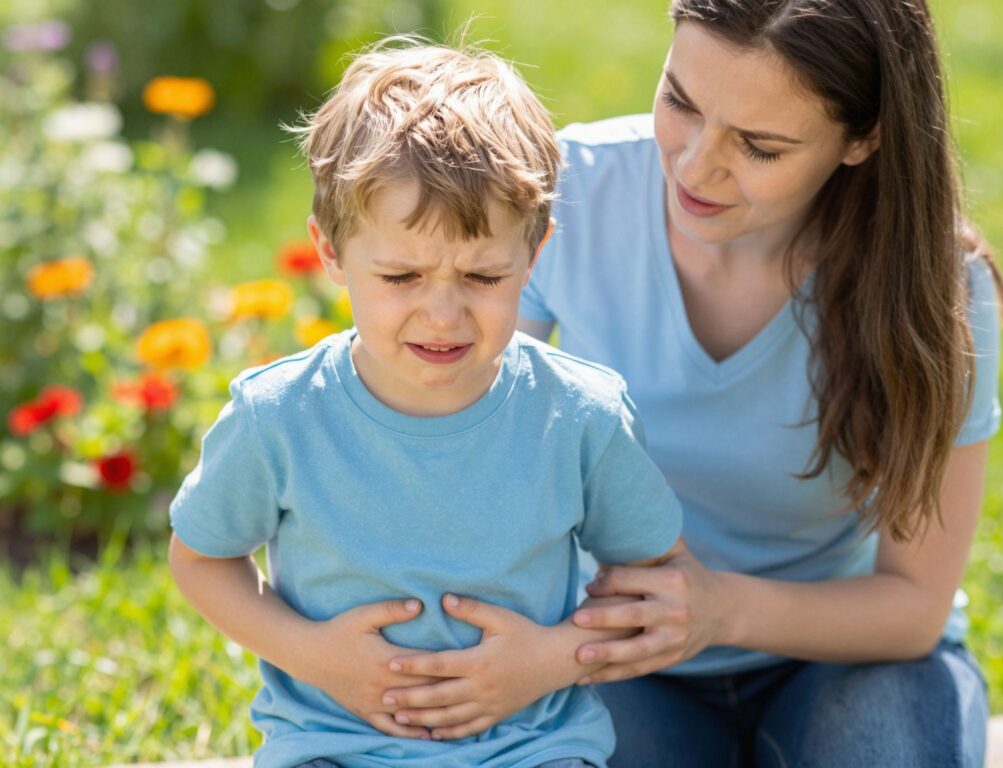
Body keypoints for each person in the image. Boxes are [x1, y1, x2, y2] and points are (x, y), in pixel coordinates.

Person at [378, 2, 1003, 767]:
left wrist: (719, 611)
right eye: (680, 101)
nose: (694, 165)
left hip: (844, 656)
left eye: (760, 146)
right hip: (612, 652)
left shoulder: (937, 288)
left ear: (863, 139)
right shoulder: (564, 195)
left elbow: (912, 608)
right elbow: (449, 453)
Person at [166, 40, 685, 768]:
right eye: (402, 275)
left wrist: (551, 659)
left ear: (533, 259)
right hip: (334, 747)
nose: (443, 315)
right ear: (331, 252)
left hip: (532, 750)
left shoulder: (579, 417)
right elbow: (201, 559)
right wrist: (314, 655)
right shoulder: (278, 416)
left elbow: (658, 584)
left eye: (481, 276)